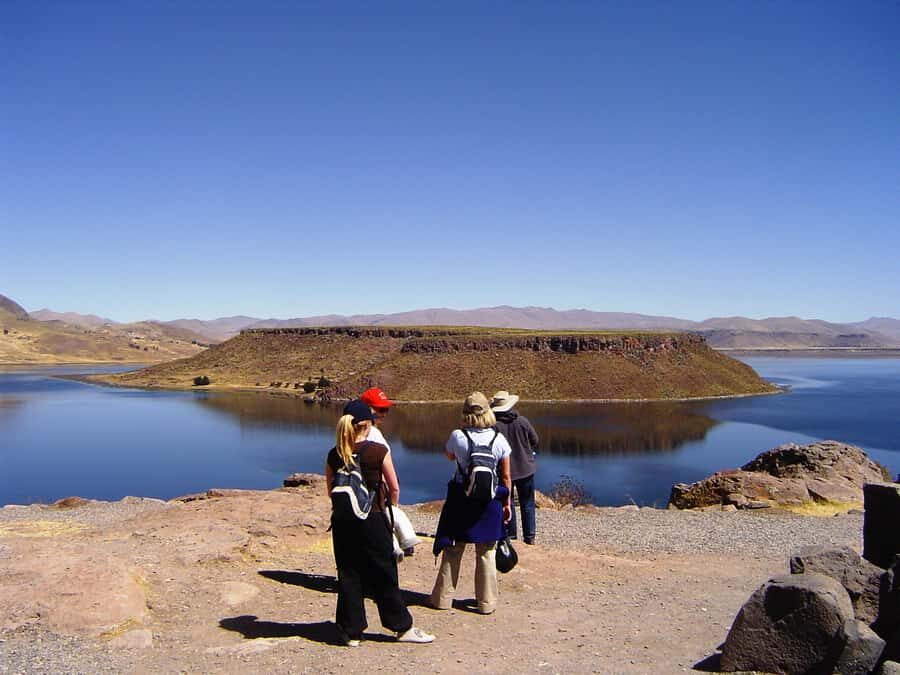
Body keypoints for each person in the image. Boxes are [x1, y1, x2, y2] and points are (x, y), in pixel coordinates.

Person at [325, 399, 434, 646]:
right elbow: (394, 486)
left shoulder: (335, 453)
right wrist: (392, 508)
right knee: (384, 571)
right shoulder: (377, 451)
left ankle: (352, 632)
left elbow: (330, 490)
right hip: (373, 518)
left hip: (342, 521)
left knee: (348, 572)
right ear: (367, 424)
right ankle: (401, 627)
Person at [429, 392, 512, 615]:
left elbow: (449, 456)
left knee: (453, 549)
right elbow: (505, 476)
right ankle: (487, 603)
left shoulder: (458, 436)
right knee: (486, 552)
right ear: (488, 413)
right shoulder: (499, 440)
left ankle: (442, 599)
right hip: (490, 502)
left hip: (461, 500)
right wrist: (507, 504)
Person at [491, 390, 539, 545]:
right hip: (526, 469)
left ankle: (512, 537)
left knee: (507, 503)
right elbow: (535, 440)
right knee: (528, 504)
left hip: (505, 471)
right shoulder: (522, 421)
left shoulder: (494, 426)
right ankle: (529, 537)